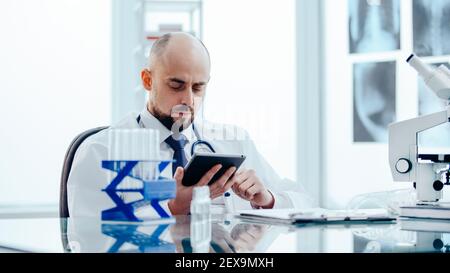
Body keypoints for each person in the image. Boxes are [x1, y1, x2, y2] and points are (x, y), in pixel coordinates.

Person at [67, 32, 314, 218]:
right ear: (147, 80)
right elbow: (88, 237)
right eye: (176, 85)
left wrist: (266, 200)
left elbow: (307, 204)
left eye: (198, 87)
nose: (187, 99)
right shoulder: (101, 152)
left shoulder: (233, 141)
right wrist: (172, 208)